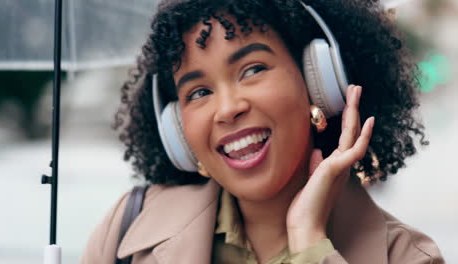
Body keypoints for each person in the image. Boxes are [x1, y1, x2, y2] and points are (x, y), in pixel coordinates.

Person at [81, 0, 445, 263]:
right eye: (199, 92)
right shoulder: (125, 232)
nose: (227, 109)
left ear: (318, 82)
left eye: (253, 69)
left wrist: (310, 242)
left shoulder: (409, 258)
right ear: (176, 129)